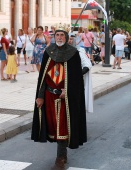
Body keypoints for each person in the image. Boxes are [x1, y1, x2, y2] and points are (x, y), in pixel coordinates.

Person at [31, 24, 87, 170]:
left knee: (62, 127)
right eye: (57, 35)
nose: (60, 37)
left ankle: (60, 158)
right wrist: (40, 96)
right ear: (54, 37)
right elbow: (42, 77)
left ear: (67, 37)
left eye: (62, 35)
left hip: (64, 98)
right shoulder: (48, 52)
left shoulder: (73, 54)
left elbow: (76, 79)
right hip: (49, 96)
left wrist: (67, 91)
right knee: (53, 127)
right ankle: (63, 154)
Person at [68, 36, 93, 113]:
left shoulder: (79, 51)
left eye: (71, 39)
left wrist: (77, 75)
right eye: (68, 39)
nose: (69, 41)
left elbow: (87, 65)